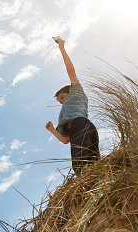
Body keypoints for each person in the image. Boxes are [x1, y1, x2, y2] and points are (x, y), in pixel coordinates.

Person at [45, 37, 99, 173]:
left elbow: (71, 71)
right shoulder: (66, 115)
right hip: (84, 128)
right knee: (94, 166)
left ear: (70, 91)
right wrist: (52, 130)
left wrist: (61, 48)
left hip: (80, 125)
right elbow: (65, 140)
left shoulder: (76, 93)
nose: (62, 102)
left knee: (80, 167)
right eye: (60, 101)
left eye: (62, 97)